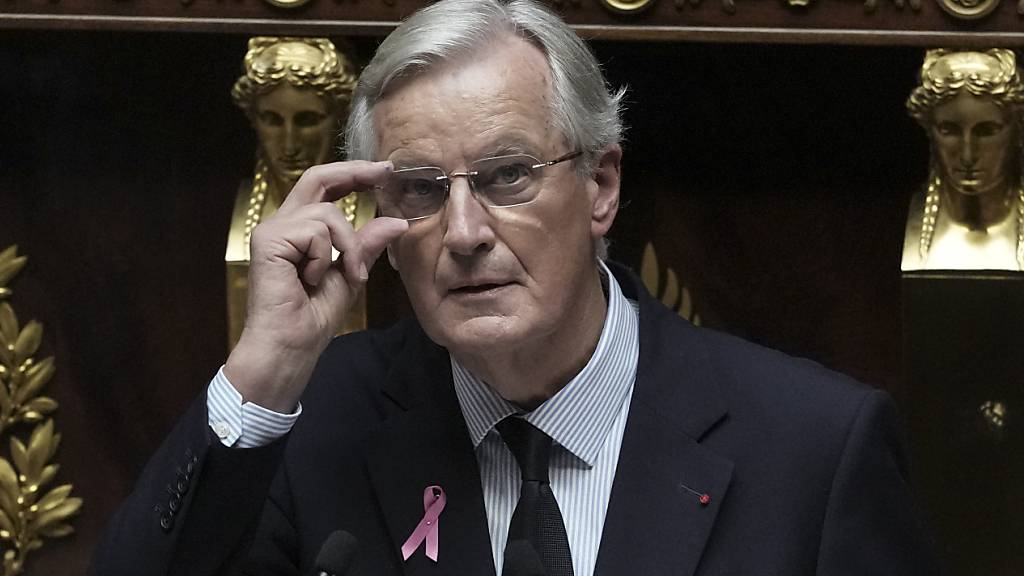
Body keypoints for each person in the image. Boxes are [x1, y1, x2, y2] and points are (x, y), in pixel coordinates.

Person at [91, 1, 937, 575]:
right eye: (421, 189)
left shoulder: (815, 449)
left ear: (601, 187)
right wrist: (264, 373)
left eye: (507, 176)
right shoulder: (318, 424)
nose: (463, 233)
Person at [226, 37, 375, 347]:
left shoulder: (371, 207)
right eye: (272, 120)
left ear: (340, 118)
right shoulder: (245, 209)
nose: (290, 144)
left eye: (308, 120)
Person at [903, 48, 1024, 271]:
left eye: (987, 131)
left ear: (1017, 131)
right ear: (930, 130)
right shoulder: (915, 228)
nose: (968, 155)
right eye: (949, 130)